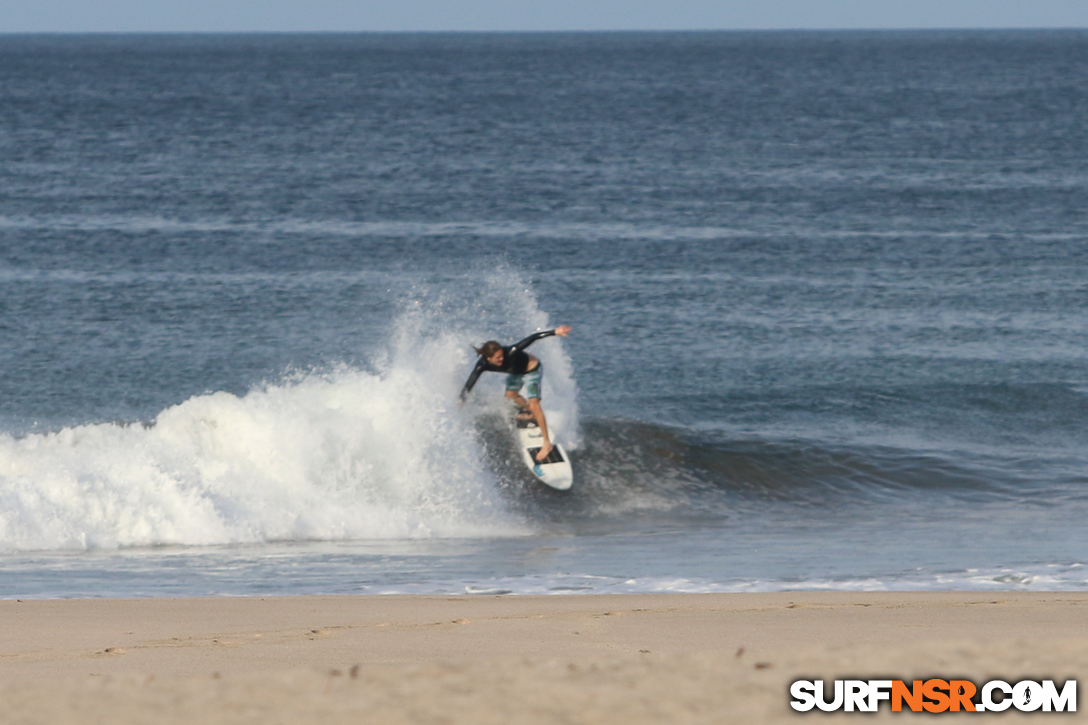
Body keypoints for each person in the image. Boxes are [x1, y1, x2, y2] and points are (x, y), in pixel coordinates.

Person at [461, 325, 571, 462]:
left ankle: (547, 444)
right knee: (510, 396)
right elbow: (471, 382)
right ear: (488, 358)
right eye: (498, 358)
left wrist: (554, 332)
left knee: (535, 403)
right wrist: (462, 400)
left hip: (532, 370)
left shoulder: (511, 351)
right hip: (516, 372)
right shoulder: (482, 365)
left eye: (502, 355)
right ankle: (528, 411)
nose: (502, 359)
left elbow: (532, 338)